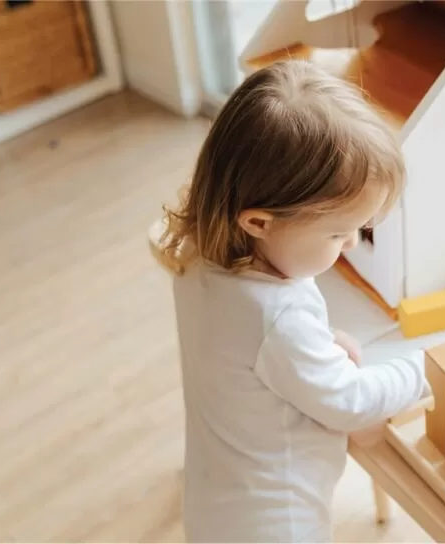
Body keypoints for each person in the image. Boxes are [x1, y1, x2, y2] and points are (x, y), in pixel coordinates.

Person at [157, 60, 428, 542]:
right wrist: (427, 369)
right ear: (259, 222)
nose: (350, 245)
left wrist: (318, 345)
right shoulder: (279, 319)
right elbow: (352, 402)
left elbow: (242, 353)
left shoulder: (201, 257)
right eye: (339, 233)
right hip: (279, 524)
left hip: (215, 504)